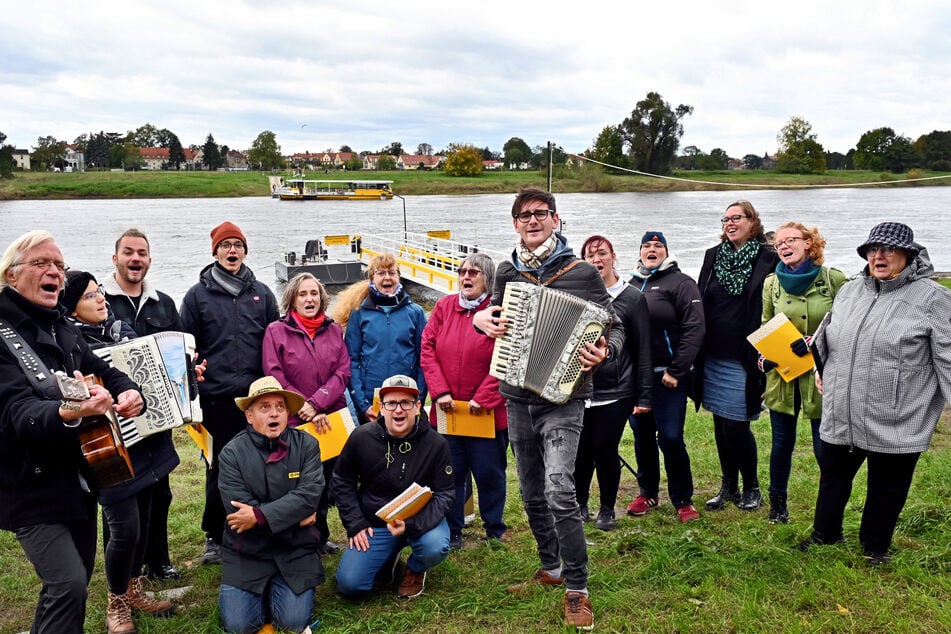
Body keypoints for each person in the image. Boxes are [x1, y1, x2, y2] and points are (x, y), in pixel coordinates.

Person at [472, 187, 625, 631]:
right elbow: (492, 316)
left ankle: (578, 587)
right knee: (532, 489)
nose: (532, 221)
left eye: (541, 214)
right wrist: (480, 320)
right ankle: (551, 567)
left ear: (556, 220)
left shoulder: (580, 273)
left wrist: (605, 353)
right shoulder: (507, 272)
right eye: (524, 215)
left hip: (565, 397)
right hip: (517, 395)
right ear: (515, 224)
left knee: (560, 490)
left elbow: (614, 326)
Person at [0, 231, 143, 634]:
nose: (55, 273)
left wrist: (129, 392)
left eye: (59, 266)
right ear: (12, 276)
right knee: (68, 584)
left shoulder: (62, 325)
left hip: (79, 478)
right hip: (29, 484)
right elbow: (16, 412)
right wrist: (70, 413)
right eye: (42, 264)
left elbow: (107, 370)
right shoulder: (3, 336)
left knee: (72, 580)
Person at [800, 222, 951, 565]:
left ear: (909, 255)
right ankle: (825, 536)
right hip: (844, 408)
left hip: (897, 413)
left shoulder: (934, 298)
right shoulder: (851, 291)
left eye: (888, 249)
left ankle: (875, 547)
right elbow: (825, 339)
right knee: (833, 477)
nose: (878, 256)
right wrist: (820, 371)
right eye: (872, 249)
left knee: (887, 485)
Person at [61, 270, 178, 633]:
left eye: (101, 293)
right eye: (90, 297)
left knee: (142, 523)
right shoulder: (70, 344)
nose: (101, 300)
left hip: (143, 439)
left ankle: (134, 588)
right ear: (72, 308)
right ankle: (116, 603)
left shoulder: (122, 332)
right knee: (124, 528)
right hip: (106, 445)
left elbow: (151, 372)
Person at [180, 221, 279, 565]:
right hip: (216, 399)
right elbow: (186, 347)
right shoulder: (196, 296)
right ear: (216, 252)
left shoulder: (263, 294)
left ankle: (260, 525)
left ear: (245, 251)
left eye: (237, 244)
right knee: (219, 467)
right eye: (225, 246)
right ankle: (215, 535)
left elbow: (275, 340)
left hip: (255, 398)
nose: (232, 250)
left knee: (263, 464)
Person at [103, 228, 184, 581]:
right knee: (121, 495)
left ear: (150, 260)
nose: (135, 259)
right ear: (115, 258)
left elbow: (179, 348)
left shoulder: (164, 302)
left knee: (160, 489)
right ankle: (123, 572)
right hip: (116, 417)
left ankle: (159, 560)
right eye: (128, 252)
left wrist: (191, 365)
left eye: (142, 253)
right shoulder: (97, 297)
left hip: (158, 412)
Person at [218, 376, 325, 634]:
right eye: (264, 407)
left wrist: (259, 515)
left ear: (288, 413)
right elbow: (237, 513)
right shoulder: (231, 453)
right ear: (249, 416)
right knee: (240, 626)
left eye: (280, 406)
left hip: (295, 549)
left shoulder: (308, 445)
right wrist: (295, 517)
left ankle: (277, 591)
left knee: (293, 623)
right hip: (247, 551)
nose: (274, 413)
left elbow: (309, 495)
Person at [332, 375, 454, 600]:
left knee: (435, 546)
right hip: (376, 523)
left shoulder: (437, 444)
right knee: (350, 585)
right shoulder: (361, 437)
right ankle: (388, 556)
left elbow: (445, 494)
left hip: (420, 520)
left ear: (418, 407)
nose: (399, 410)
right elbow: (342, 480)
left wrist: (412, 524)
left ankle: (416, 568)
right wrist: (355, 524)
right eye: (391, 403)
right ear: (381, 407)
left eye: (406, 403)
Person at [759, 223, 847, 524]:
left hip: (822, 376)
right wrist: (764, 359)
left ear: (809, 244)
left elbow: (848, 326)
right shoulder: (771, 283)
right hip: (783, 376)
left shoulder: (833, 280)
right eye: (778, 243)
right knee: (782, 444)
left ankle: (829, 511)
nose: (783, 246)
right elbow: (766, 327)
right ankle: (777, 506)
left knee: (826, 447)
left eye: (791, 240)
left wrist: (814, 342)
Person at [420, 253, 509, 549]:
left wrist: (484, 398)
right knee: (450, 473)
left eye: (473, 272)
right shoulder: (445, 307)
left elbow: (506, 359)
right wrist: (440, 391)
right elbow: (428, 348)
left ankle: (494, 529)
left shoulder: (499, 311)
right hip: (449, 411)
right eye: (462, 272)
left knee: (490, 473)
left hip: (486, 413)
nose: (466, 277)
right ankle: (453, 529)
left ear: (488, 278)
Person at [695, 201, 778, 512]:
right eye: (725, 219)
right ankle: (728, 485)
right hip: (712, 353)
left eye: (736, 218)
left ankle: (752, 486)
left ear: (752, 221)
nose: (730, 223)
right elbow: (700, 299)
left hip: (745, 355)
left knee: (736, 424)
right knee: (719, 421)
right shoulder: (712, 256)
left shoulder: (767, 257)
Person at [262, 272, 351, 554]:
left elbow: (342, 371)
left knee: (325, 481)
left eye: (314, 293)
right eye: (302, 294)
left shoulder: (334, 330)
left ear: (322, 297)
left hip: (330, 417)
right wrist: (306, 407)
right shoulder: (276, 331)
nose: (309, 299)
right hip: (294, 419)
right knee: (297, 482)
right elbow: (274, 374)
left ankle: (321, 536)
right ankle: (295, 539)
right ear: (292, 299)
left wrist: (319, 403)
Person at [627, 232, 706, 523]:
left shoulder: (681, 283)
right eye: (646, 246)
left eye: (657, 246)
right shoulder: (631, 284)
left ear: (666, 252)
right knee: (642, 435)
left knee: (671, 437)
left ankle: (683, 499)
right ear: (640, 252)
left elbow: (694, 328)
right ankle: (648, 491)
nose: (651, 250)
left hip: (668, 376)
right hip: (638, 378)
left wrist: (677, 370)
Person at [575, 235, 652, 531]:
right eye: (590, 254)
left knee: (605, 449)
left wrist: (644, 396)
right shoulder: (579, 295)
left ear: (613, 256)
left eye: (602, 253)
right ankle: (580, 504)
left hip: (616, 390)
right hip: (580, 389)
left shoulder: (632, 297)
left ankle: (607, 508)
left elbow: (643, 347)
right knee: (581, 451)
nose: (597, 259)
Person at [332, 253, 427, 422]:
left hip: (406, 395)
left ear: (399, 277)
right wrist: (362, 404)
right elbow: (351, 360)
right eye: (381, 273)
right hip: (371, 399)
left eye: (392, 273)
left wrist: (418, 399)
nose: (387, 277)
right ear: (372, 278)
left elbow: (424, 359)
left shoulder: (416, 313)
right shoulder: (359, 313)